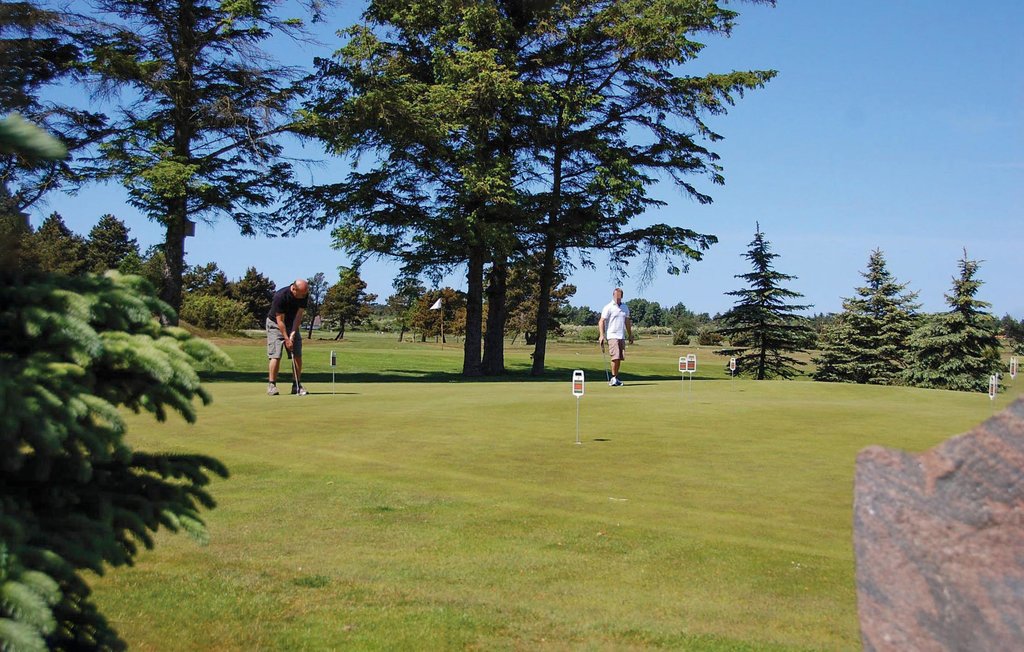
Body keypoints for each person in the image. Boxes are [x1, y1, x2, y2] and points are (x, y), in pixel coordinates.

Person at [266, 279, 309, 395]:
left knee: (297, 354)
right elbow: (280, 321)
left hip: (291, 323)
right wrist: (286, 338)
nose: (303, 296)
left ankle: (296, 385)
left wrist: (293, 333)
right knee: (276, 355)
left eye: (305, 294)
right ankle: (272, 386)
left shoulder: (304, 294)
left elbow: (299, 316)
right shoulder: (280, 296)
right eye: (302, 294)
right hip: (275, 324)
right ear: (294, 289)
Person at [598, 287, 633, 387]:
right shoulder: (608, 307)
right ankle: (613, 378)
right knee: (615, 356)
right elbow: (601, 321)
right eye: (616, 296)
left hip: (621, 336)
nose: (617, 298)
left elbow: (627, 322)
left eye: (619, 297)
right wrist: (602, 335)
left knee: (619, 358)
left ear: (622, 296)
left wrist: (630, 335)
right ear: (613, 295)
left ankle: (615, 378)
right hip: (612, 335)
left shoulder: (625, 308)